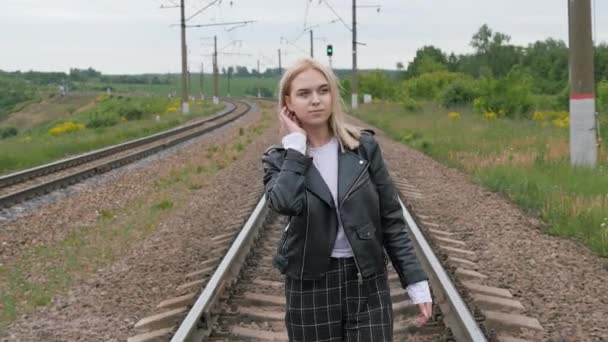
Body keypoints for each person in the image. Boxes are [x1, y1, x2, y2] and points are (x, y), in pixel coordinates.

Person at [262, 57, 432, 341]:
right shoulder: (279, 160)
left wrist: (415, 281)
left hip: (367, 280)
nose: (316, 100)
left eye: (323, 90)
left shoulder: (363, 148)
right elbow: (283, 203)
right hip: (310, 288)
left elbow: (391, 219)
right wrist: (296, 149)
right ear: (288, 103)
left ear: (333, 96)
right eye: (304, 94)